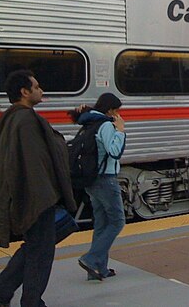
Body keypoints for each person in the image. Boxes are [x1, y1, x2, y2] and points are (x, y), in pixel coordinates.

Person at [0, 70, 76, 307]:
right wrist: (46, 198)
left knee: (34, 247)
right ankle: (32, 302)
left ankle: (1, 291)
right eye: (37, 86)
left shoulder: (12, 119)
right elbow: (37, 163)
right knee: (41, 253)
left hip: (30, 198)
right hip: (37, 200)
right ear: (25, 92)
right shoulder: (26, 120)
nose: (41, 90)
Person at [68, 93, 126, 281]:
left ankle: (100, 269)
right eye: (116, 110)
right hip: (106, 180)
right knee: (117, 221)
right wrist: (120, 131)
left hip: (92, 181)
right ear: (110, 110)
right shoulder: (107, 125)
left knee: (101, 223)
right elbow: (114, 152)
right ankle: (91, 259)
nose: (117, 114)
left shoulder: (89, 122)